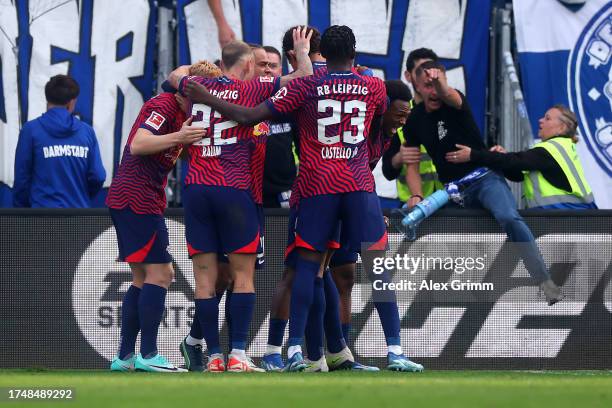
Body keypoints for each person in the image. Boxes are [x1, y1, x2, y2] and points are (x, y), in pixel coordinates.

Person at [182, 25, 424, 373]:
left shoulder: (307, 86)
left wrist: (207, 98)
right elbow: (381, 118)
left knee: (306, 269)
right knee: (378, 269)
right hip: (357, 184)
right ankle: (395, 351)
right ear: (354, 53)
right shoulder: (372, 85)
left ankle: (301, 353)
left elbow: (250, 116)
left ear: (321, 51)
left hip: (318, 185)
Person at [167, 29, 313, 373]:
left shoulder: (193, 89)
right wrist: (303, 50)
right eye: (257, 63)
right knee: (242, 276)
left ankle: (214, 356)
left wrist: (192, 76)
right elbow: (305, 77)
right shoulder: (254, 89)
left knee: (204, 278)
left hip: (197, 187)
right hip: (235, 189)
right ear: (247, 64)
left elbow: (174, 76)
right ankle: (237, 355)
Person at [403, 60, 563, 305]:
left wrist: (440, 84)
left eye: (437, 84)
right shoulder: (414, 118)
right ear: (416, 86)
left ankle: (545, 281)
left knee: (509, 217)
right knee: (423, 225)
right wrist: (415, 194)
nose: (433, 91)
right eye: (427, 86)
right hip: (452, 192)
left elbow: (448, 94)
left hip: (484, 179)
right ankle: (432, 300)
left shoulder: (454, 101)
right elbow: (411, 164)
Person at [105, 63, 210, 372]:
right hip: (136, 199)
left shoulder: (184, 111)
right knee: (162, 275)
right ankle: (149, 355)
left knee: (143, 278)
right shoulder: (164, 105)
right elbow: (138, 144)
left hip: (138, 198)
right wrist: (180, 136)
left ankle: (124, 358)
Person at [446, 104, 596, 210]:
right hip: (570, 215)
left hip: (565, 215)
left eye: (547, 118)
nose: (540, 120)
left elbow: (515, 161)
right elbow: (517, 174)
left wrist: (473, 155)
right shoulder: (562, 148)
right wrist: (500, 157)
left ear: (562, 128)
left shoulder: (551, 148)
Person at [13, 75, 105, 208]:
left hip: (41, 219)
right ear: (72, 102)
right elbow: (98, 176)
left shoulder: (31, 130)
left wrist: (22, 211)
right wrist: (80, 196)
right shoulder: (86, 132)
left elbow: (22, 178)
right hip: (78, 218)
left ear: (47, 98)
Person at [381, 49, 443, 206]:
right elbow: (388, 171)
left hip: (449, 199)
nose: (426, 77)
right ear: (408, 76)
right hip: (413, 205)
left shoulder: (450, 110)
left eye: (431, 71)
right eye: (421, 71)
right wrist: (400, 158)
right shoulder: (399, 114)